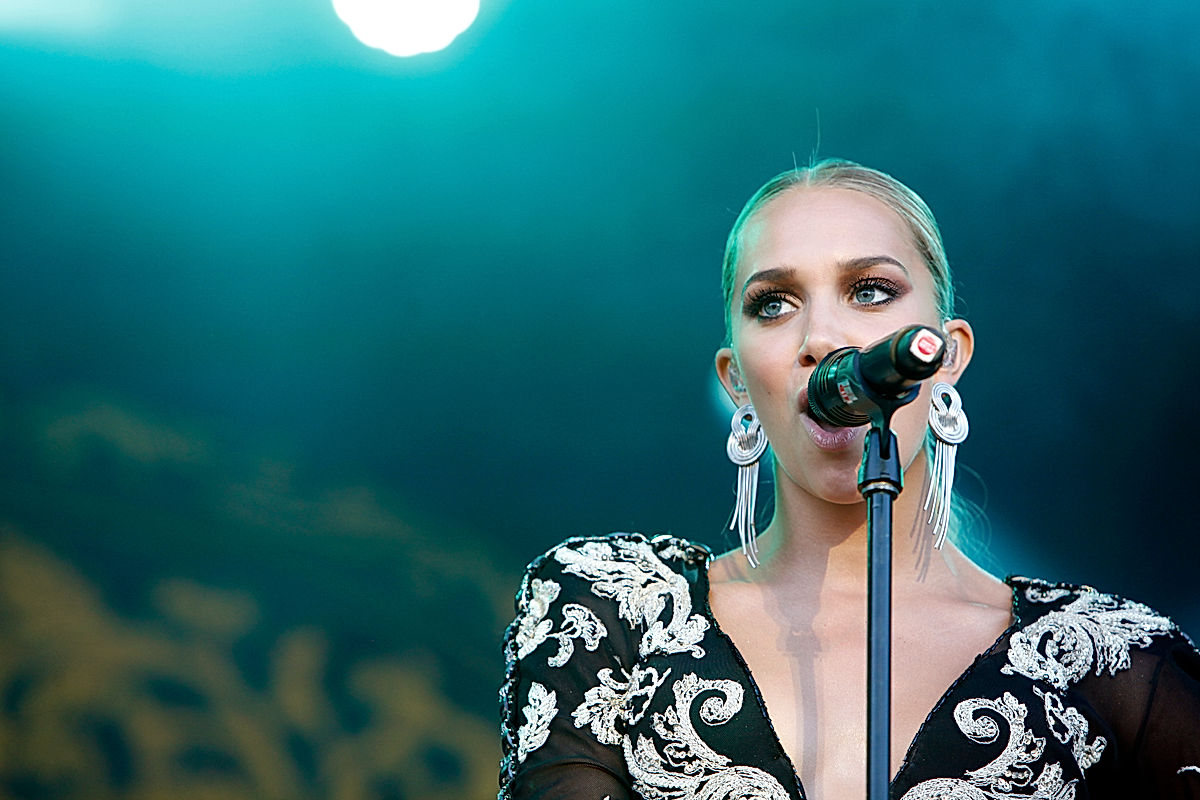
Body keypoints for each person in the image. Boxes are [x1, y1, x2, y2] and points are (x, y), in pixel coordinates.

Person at [497, 160, 1200, 800]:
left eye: (870, 291)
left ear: (946, 356)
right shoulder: (610, 615)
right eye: (772, 303)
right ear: (735, 378)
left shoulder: (1114, 665)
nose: (824, 337)